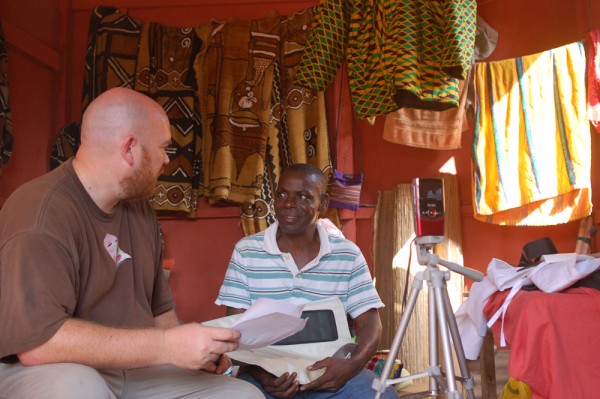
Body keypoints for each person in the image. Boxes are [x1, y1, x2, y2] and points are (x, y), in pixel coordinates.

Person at [0, 87, 263, 399]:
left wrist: (195, 351)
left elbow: (160, 313)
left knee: (242, 396)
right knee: (79, 390)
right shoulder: (41, 213)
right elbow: (39, 346)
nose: (167, 159)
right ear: (129, 149)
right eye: (164, 147)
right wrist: (167, 347)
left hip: (133, 369)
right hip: (48, 368)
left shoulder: (138, 207)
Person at [216, 163, 399, 398]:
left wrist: (350, 366)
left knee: (382, 396)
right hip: (265, 375)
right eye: (282, 194)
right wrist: (261, 373)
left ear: (322, 203)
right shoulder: (247, 251)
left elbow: (370, 325)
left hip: (332, 373)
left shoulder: (347, 255)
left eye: (302, 196)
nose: (289, 203)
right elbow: (236, 331)